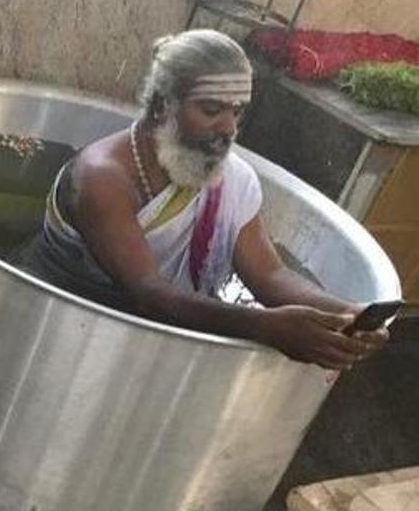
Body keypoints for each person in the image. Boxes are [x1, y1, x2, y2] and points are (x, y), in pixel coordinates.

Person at [33, 29, 387, 370]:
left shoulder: (232, 179)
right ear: (161, 106)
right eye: (212, 109)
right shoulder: (101, 179)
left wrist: (347, 314)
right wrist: (266, 326)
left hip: (167, 342)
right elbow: (147, 293)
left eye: (237, 111)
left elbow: (270, 274)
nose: (229, 128)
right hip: (63, 331)